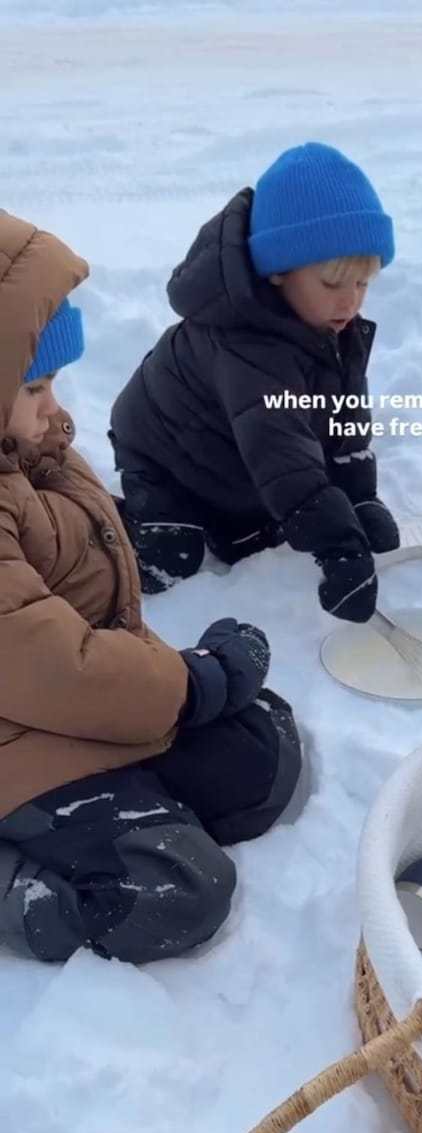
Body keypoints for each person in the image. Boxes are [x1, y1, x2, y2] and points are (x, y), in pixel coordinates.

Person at [0, 210, 302, 965]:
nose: (55, 408)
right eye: (33, 386)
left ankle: (131, 796)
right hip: (20, 732)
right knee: (177, 887)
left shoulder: (32, 452)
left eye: (54, 382)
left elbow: (70, 607)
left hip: (59, 710)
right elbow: (45, 662)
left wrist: (187, 682)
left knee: (254, 761)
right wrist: (189, 683)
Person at [108, 141, 399, 625]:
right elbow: (279, 449)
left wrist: (358, 494)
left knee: (259, 531)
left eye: (363, 283)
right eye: (333, 284)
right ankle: (118, 521)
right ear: (278, 273)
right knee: (172, 558)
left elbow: (345, 417)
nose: (350, 302)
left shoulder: (332, 324)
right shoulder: (245, 344)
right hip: (167, 455)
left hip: (233, 447)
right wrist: (338, 547)